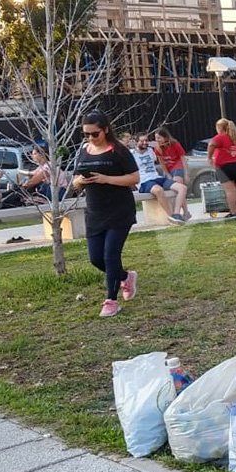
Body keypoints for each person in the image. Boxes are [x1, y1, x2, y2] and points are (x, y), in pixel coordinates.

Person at [73, 111, 140, 318]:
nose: (91, 138)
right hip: (95, 212)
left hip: (119, 211)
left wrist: (106, 179)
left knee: (111, 256)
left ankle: (111, 300)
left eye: (95, 134)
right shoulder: (84, 150)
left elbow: (134, 178)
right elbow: (75, 181)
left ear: (106, 130)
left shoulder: (118, 151)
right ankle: (125, 277)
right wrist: (80, 182)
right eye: (86, 134)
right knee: (96, 259)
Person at [133, 133, 189, 224]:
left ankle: (176, 214)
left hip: (157, 178)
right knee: (158, 190)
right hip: (144, 182)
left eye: (146, 140)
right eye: (141, 141)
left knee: (182, 188)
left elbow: (160, 145)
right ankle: (171, 217)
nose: (144, 142)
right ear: (136, 142)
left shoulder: (151, 150)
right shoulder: (132, 154)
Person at [208, 118, 236, 217]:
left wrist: (209, 157)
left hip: (224, 167)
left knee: (230, 191)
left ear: (219, 128)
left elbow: (211, 144)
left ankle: (233, 212)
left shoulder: (220, 137)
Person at [153, 127, 191, 221]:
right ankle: (186, 212)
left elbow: (183, 158)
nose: (157, 140)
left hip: (178, 166)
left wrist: (186, 173)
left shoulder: (174, 144)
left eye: (159, 138)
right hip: (169, 169)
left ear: (165, 137)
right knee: (179, 190)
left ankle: (179, 212)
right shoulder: (157, 148)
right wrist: (167, 174)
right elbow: (161, 162)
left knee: (178, 186)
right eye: (156, 138)